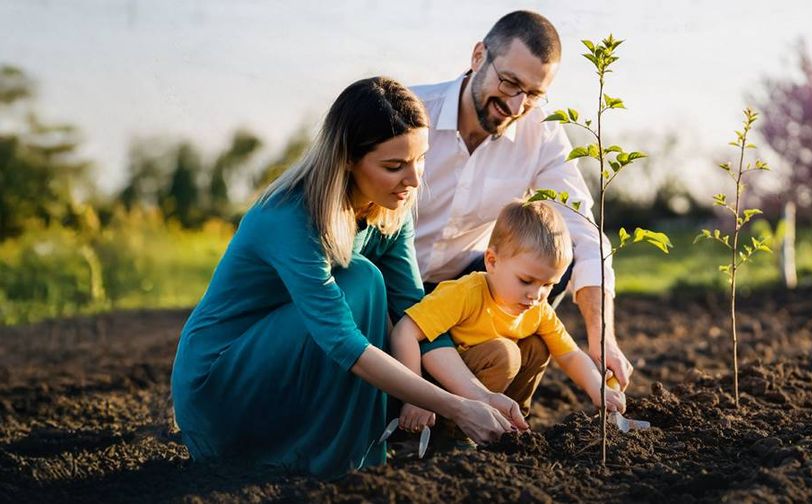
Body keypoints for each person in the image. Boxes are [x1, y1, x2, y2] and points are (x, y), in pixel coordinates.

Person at [170, 76, 527, 480]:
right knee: (361, 280)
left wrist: (479, 397)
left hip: (296, 365)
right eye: (394, 166)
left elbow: (420, 315)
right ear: (347, 160)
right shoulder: (291, 216)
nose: (413, 180)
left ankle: (354, 455)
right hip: (222, 386)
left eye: (420, 158)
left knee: (371, 288)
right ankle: (338, 460)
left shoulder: (389, 210)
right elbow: (342, 342)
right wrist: (456, 408)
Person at [409, 11, 634, 399]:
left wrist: (602, 339)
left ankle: (489, 391)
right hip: (391, 280)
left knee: (554, 255)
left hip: (466, 287)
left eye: (532, 94)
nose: (515, 106)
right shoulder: (411, 112)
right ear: (479, 56)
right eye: (509, 83)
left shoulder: (543, 133)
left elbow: (585, 233)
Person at [391, 201, 626, 432]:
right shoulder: (465, 292)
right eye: (526, 281)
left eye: (548, 285)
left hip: (491, 388)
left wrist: (598, 389)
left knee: (537, 346)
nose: (536, 294)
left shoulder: (538, 308)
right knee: (506, 353)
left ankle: (513, 424)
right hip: (447, 385)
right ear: (492, 261)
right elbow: (405, 332)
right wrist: (416, 397)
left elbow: (570, 355)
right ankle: (457, 435)